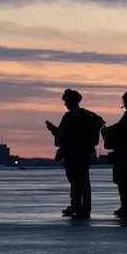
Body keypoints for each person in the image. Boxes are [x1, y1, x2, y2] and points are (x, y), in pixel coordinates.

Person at [45, 89, 104, 218]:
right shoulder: (87, 116)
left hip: (75, 154)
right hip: (80, 153)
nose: (65, 104)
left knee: (78, 181)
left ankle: (80, 206)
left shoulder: (72, 117)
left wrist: (53, 130)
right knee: (78, 181)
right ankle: (79, 206)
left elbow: (64, 136)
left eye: (66, 101)